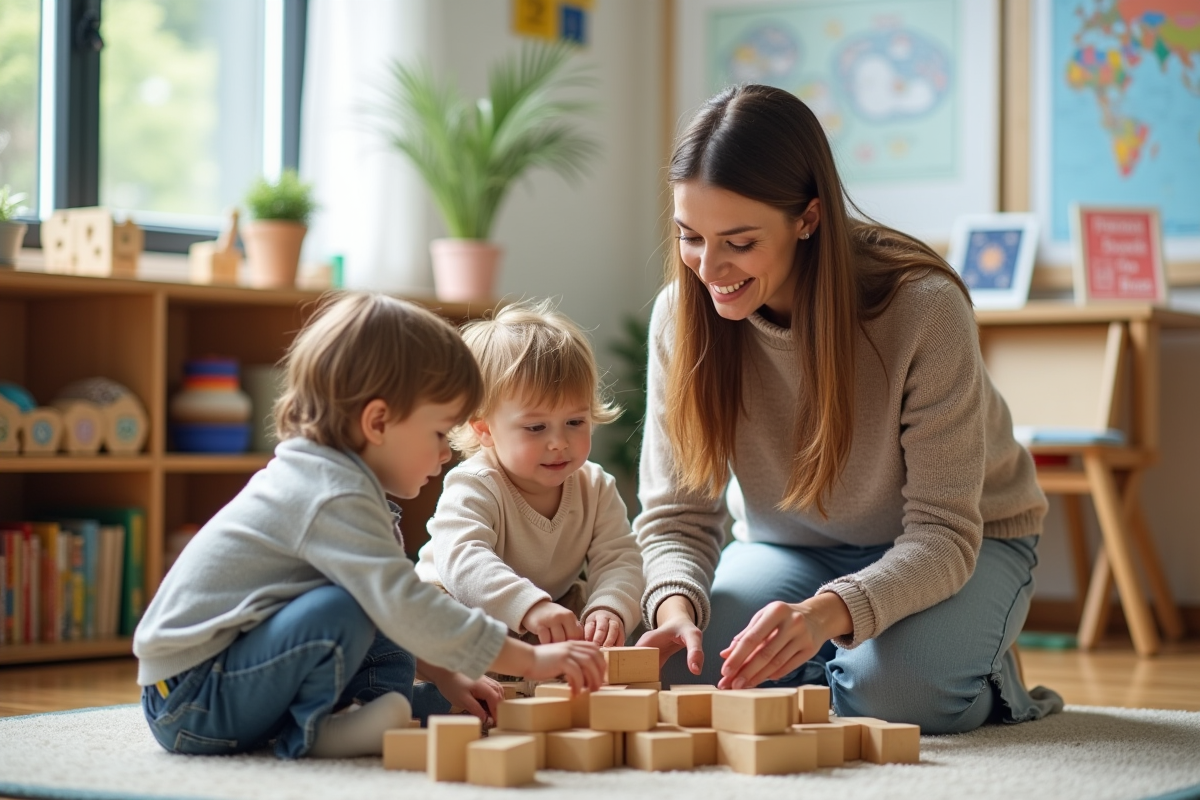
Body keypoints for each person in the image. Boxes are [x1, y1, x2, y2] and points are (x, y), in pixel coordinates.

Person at [633, 84, 1063, 735]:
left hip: (964, 541)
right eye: (690, 236)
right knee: (684, 668)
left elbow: (944, 534)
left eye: (739, 242)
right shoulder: (680, 318)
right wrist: (673, 605)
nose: (709, 268)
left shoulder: (921, 306)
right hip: (794, 548)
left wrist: (823, 616)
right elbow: (677, 516)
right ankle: (851, 663)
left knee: (897, 699)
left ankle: (974, 666)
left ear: (807, 218)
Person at [134, 293, 605, 760]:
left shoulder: (342, 485)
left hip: (220, 684)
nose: (446, 455)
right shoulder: (328, 494)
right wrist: (529, 660)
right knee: (360, 603)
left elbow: (389, 608)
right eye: (439, 433)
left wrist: (444, 673)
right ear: (378, 422)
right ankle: (317, 729)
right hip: (191, 700)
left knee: (372, 598)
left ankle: (363, 710)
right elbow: (402, 604)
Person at [416, 299, 644, 649]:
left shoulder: (594, 486)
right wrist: (529, 606)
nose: (559, 443)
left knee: (591, 609)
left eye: (574, 422)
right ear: (484, 431)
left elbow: (620, 558)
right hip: (459, 605)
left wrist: (610, 608)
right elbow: (464, 560)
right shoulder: (475, 484)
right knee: (434, 615)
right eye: (536, 427)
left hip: (543, 612)